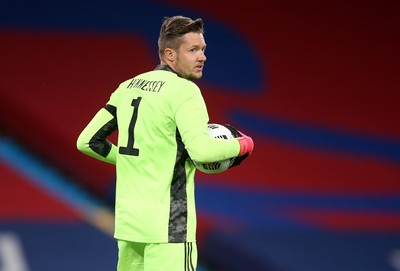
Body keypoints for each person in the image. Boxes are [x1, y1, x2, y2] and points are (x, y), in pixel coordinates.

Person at [76, 15, 254, 271]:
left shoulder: (127, 87)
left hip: (129, 226)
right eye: (193, 50)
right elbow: (203, 152)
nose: (202, 57)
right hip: (169, 228)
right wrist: (244, 144)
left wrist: (137, 161)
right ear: (170, 54)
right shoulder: (184, 91)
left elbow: (88, 142)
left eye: (203, 50)